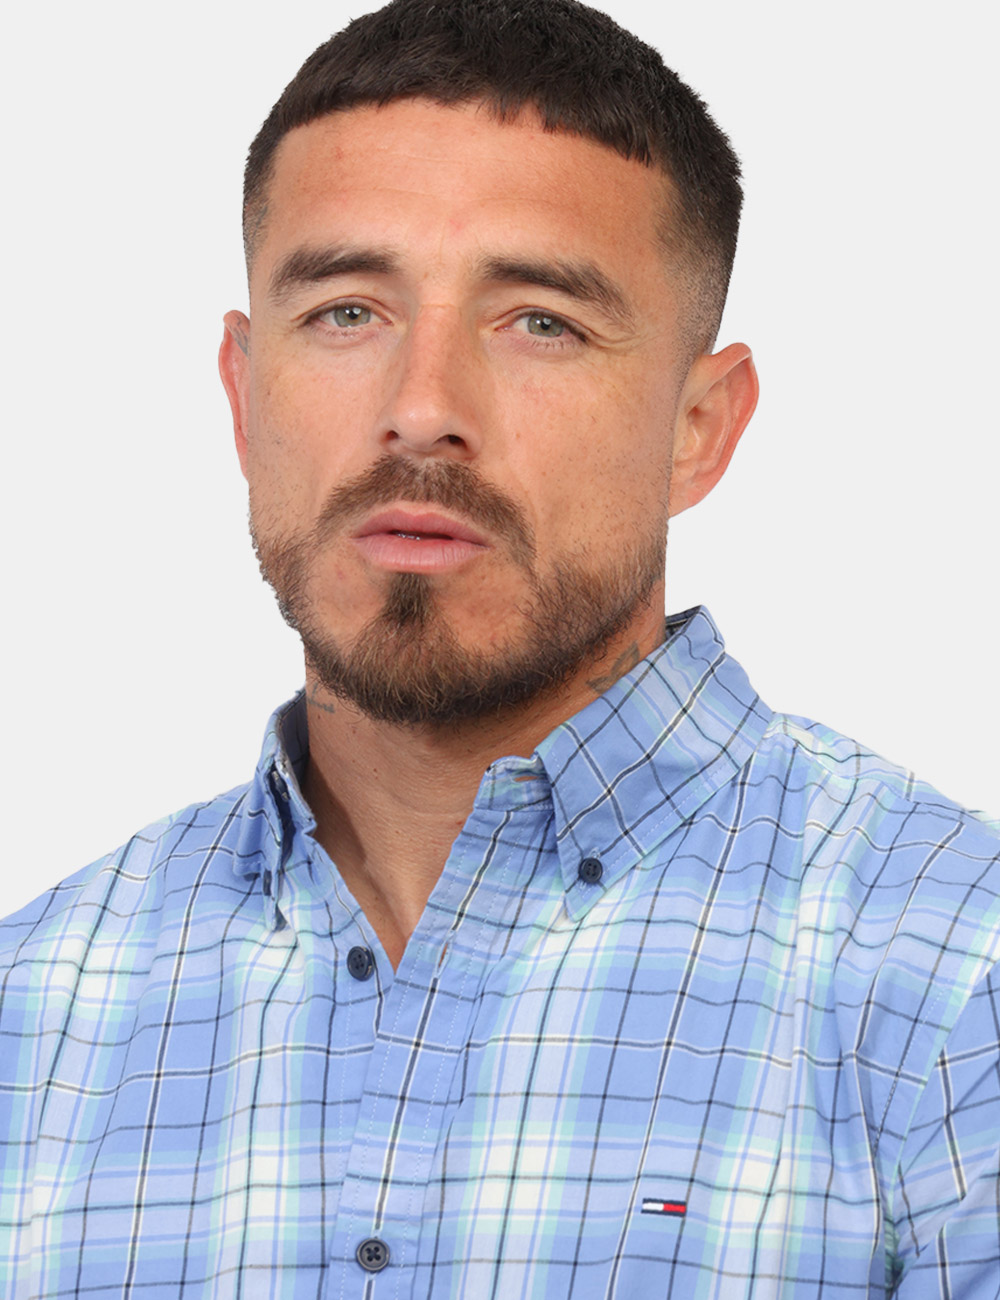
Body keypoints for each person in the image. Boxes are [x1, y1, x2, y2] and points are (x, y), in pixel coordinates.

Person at [1, 0, 998, 1294]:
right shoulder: (31, 1012)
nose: (423, 410)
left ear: (699, 427)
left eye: (540, 321)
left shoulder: (955, 982)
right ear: (244, 397)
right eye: (346, 311)